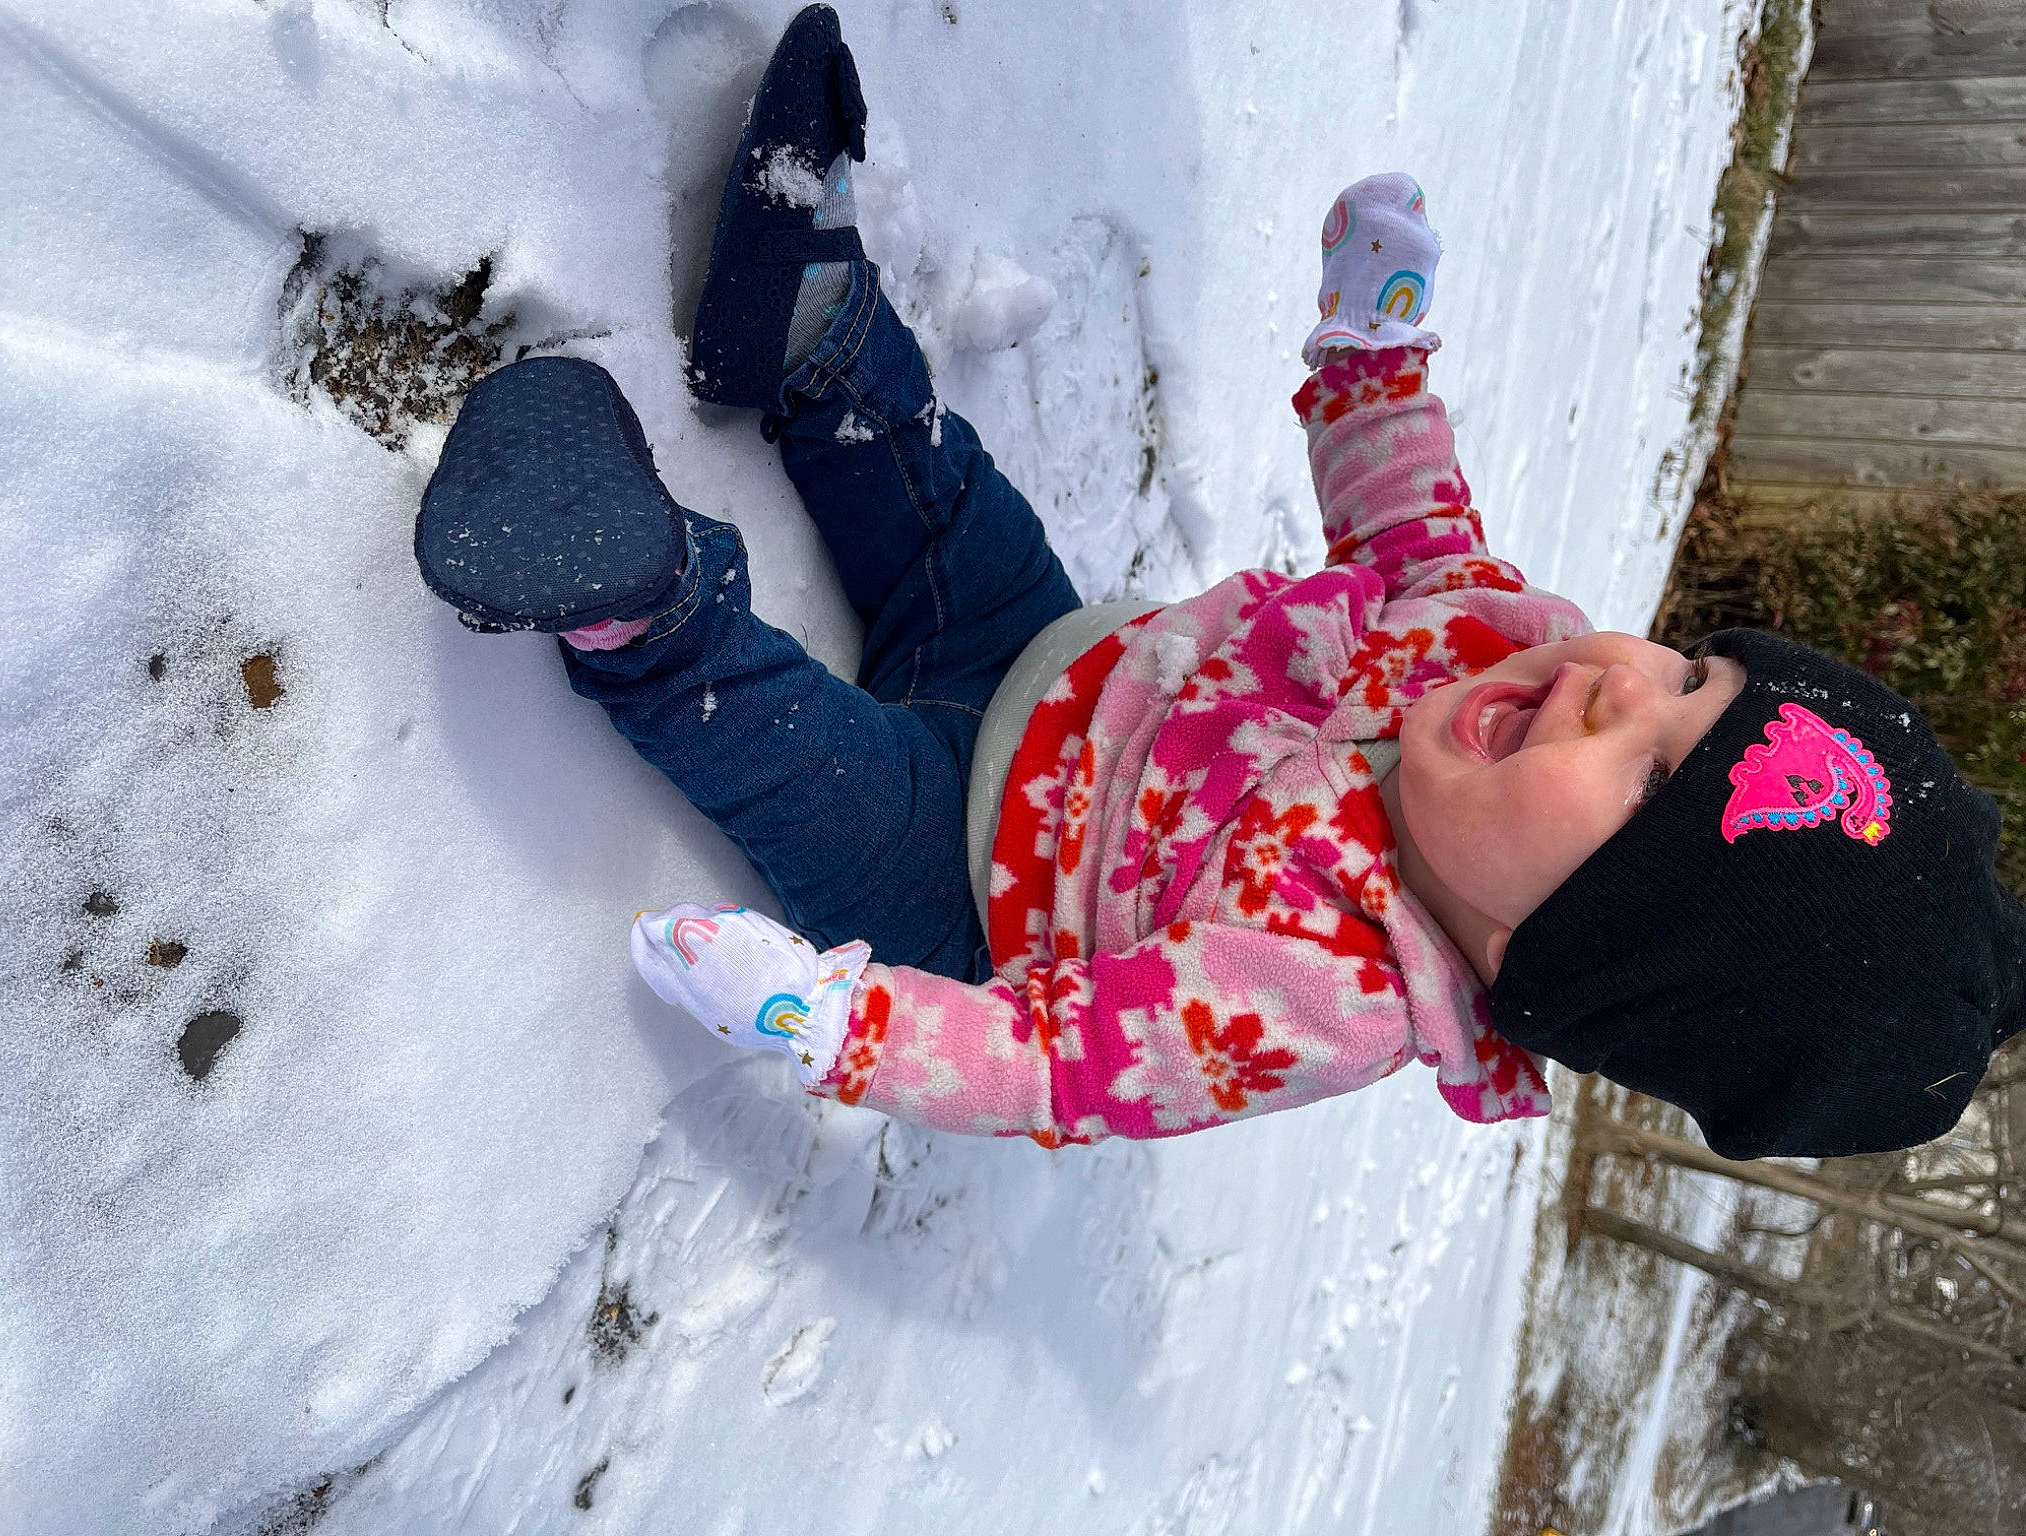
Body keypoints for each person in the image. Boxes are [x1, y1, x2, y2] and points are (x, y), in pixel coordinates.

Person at [416, 6, 2025, 1161]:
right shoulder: (1494, 653)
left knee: (804, 757)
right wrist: (1374, 358)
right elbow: (1413, 529)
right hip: (1056, 659)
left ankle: (637, 601)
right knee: (937, 496)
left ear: (1581, 957)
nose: (1622, 680)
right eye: (1693, 671)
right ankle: (811, 333)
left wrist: (841, 1029)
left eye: (1653, 768)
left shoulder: (1321, 995)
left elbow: (1057, 1066)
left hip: (964, 879)